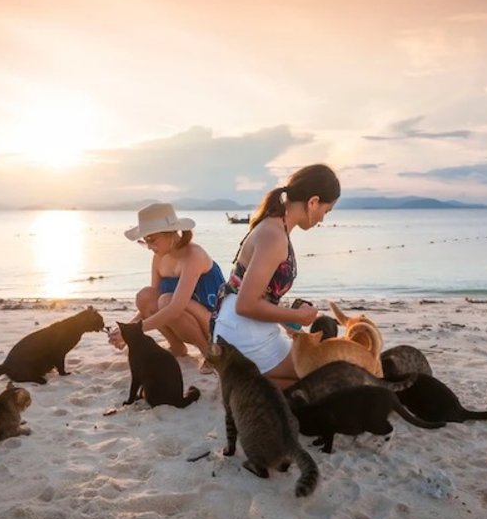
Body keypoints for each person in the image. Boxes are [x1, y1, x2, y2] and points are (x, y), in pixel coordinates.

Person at [211, 164, 340, 389]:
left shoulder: (276, 226)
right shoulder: (274, 236)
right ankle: (246, 382)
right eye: (326, 211)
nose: (322, 219)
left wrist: (288, 321)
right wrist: (297, 316)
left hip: (242, 328)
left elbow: (260, 295)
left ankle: (249, 383)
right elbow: (246, 305)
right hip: (243, 335)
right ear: (313, 202)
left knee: (311, 379)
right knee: (326, 377)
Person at [108, 203, 225, 368]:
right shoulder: (159, 257)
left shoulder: (194, 255)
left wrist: (133, 331)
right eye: (145, 241)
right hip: (184, 317)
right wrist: (127, 329)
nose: (149, 247)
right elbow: (149, 304)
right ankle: (177, 347)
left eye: (152, 240)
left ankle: (208, 353)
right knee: (145, 296)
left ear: (171, 233)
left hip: (216, 322)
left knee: (166, 301)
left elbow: (175, 308)